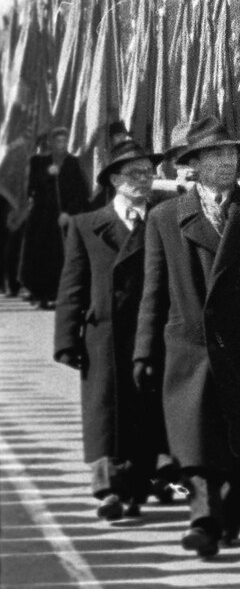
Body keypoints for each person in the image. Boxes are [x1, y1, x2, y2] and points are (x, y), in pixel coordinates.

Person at [136, 116, 240, 558]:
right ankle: (203, 521)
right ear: (194, 165)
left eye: (230, 154)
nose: (226, 162)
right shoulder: (166, 217)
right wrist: (143, 351)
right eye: (214, 155)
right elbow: (154, 290)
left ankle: (229, 516)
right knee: (197, 444)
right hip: (192, 347)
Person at [53, 134, 166, 522]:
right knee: (106, 410)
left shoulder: (164, 218)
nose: (144, 179)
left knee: (145, 410)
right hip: (105, 333)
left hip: (153, 329)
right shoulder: (88, 225)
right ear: (114, 180)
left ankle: (136, 488)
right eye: (134, 173)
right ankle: (109, 489)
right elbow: (73, 285)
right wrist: (67, 339)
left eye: (149, 173)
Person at [19, 127, 94, 310]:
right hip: (42, 218)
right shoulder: (38, 161)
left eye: (64, 142)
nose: (61, 146)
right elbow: (29, 188)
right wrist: (46, 174)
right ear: (50, 143)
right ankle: (40, 294)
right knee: (39, 254)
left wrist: (69, 213)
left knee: (60, 256)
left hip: (63, 218)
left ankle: (58, 294)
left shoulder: (73, 163)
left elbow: (80, 193)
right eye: (57, 142)